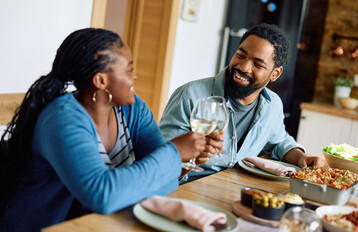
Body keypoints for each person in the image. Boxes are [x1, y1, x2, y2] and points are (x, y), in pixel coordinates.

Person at [0, 28, 206, 231]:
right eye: (129, 70)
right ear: (100, 80)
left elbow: (166, 179)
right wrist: (174, 153)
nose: (135, 77)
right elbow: (103, 196)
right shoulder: (62, 118)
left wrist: (168, 165)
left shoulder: (134, 110)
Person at [159, 23, 327, 183]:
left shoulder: (273, 105)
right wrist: (193, 159)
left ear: (275, 74)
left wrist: (301, 158)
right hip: (185, 192)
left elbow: (279, 142)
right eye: (240, 55)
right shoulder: (190, 95)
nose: (244, 67)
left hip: (232, 192)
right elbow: (160, 165)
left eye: (258, 64)